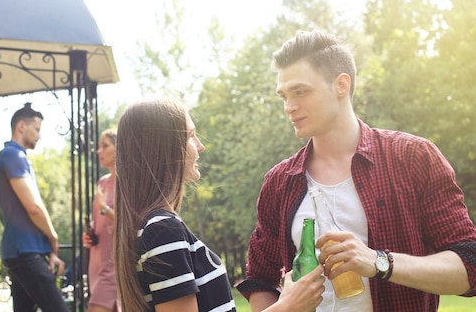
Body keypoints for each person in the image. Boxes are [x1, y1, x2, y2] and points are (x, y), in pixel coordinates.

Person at [236, 30, 476, 312]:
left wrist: (378, 262)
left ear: (341, 85)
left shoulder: (413, 157)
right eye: (284, 96)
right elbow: (260, 280)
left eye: (300, 92)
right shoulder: (278, 183)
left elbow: (469, 266)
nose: (289, 107)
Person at [114, 98, 325, 312]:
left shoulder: (155, 227)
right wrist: (288, 306)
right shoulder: (162, 230)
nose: (200, 146)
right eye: (190, 136)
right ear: (163, 148)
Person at [0, 102, 69, 312]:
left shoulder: (15, 157)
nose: (39, 135)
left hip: (22, 251)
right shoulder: (13, 156)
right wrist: (53, 238)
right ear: (21, 127)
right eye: (37, 129)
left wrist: (48, 251)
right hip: (24, 253)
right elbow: (33, 207)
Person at [82, 129, 120, 312]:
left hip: (114, 268)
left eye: (105, 146)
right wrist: (90, 237)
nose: (99, 151)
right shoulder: (102, 182)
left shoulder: (127, 183)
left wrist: (104, 208)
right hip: (97, 263)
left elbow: (128, 224)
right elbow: (101, 225)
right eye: (99, 147)